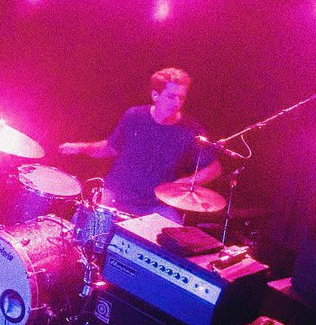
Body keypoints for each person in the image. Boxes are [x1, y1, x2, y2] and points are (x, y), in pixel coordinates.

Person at [58, 66, 221, 219]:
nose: (177, 102)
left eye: (181, 97)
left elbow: (214, 169)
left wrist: (182, 184)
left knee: (173, 240)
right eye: (171, 96)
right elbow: (110, 148)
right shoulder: (135, 116)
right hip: (115, 194)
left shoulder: (191, 130)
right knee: (85, 222)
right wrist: (80, 147)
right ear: (155, 96)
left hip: (155, 205)